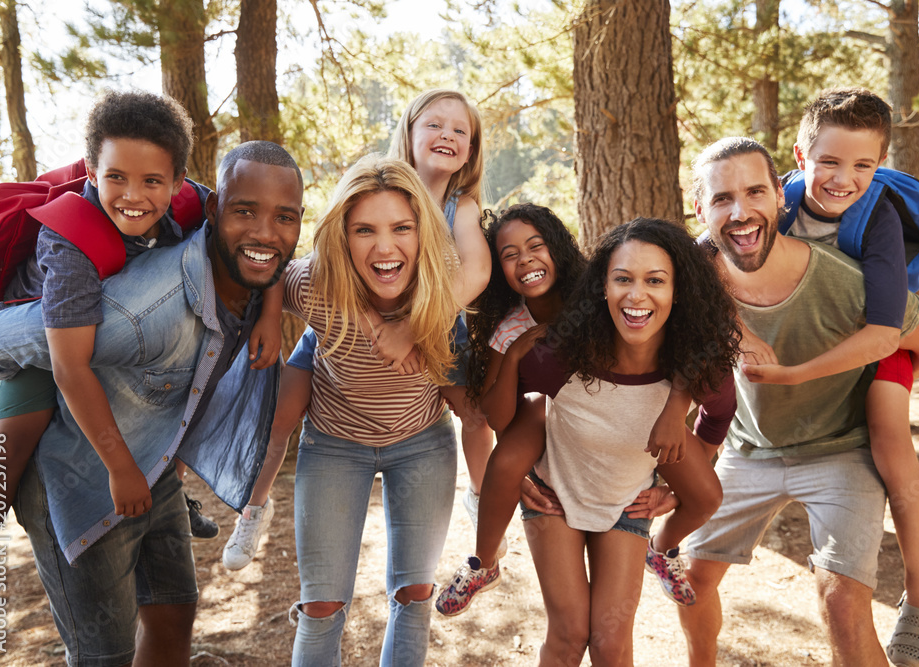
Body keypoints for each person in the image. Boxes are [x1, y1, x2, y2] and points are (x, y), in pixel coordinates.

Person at [0, 140, 304, 665]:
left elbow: (267, 248)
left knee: (174, 614)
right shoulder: (138, 314)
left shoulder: (242, 261)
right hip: (83, 481)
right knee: (102, 654)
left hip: (154, 473)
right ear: (218, 210)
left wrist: (270, 307)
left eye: (284, 218)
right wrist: (65, 341)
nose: (266, 231)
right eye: (245, 211)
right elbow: (5, 340)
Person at [680, 136, 919, 667]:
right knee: (692, 578)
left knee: (841, 601)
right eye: (721, 199)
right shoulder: (694, 277)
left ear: (781, 197)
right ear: (701, 209)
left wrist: (886, 381)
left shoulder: (846, 280)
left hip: (840, 448)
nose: (740, 212)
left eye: (755, 192)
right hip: (747, 448)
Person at [222, 88, 496, 570]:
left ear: (471, 151)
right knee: (281, 418)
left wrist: (413, 327)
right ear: (407, 134)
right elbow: (291, 266)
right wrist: (268, 314)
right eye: (434, 124)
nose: (447, 135)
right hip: (341, 327)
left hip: (434, 329)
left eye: (460, 130)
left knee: (474, 416)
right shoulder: (374, 185)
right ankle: (253, 507)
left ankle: (482, 500)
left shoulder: (461, 205)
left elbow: (474, 272)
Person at [738, 88, 919, 665]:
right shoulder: (775, 204)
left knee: (888, 437)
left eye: (863, 165)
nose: (843, 179)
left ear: (879, 168)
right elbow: (710, 251)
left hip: (876, 341)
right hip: (814, 342)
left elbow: (885, 332)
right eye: (829, 161)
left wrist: (796, 374)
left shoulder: (875, 216)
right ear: (800, 161)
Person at [471, 218, 735, 664]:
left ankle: (662, 550)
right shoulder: (563, 352)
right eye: (622, 279)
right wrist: (518, 471)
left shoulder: (695, 360)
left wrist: (673, 488)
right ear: (602, 288)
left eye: (655, 280)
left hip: (624, 500)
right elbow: (507, 414)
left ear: (678, 291)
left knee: (611, 642)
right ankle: (481, 564)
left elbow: (719, 416)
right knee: (570, 635)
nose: (636, 295)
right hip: (557, 491)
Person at [282, 154, 482, 666]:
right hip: (332, 444)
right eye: (364, 230)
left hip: (421, 444)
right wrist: (265, 322)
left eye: (402, 228)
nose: (386, 247)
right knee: (321, 605)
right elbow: (266, 276)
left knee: (414, 598)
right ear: (342, 237)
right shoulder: (316, 286)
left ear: (423, 233)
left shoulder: (444, 293)